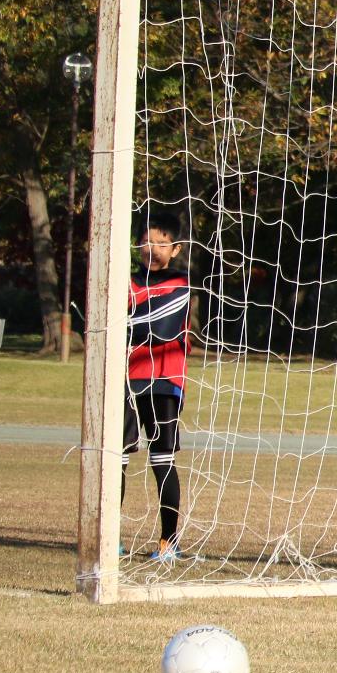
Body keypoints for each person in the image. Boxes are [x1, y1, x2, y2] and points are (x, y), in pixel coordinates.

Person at [124, 211, 190, 561]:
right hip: (125, 378)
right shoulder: (127, 281)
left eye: (160, 244)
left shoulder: (181, 283)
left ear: (175, 249)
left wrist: (124, 317)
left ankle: (168, 541)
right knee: (115, 457)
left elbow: (155, 326)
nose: (152, 249)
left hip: (164, 380)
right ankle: (110, 537)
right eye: (146, 242)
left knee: (162, 457)